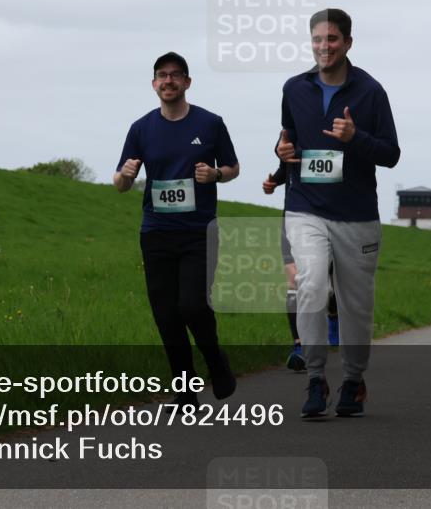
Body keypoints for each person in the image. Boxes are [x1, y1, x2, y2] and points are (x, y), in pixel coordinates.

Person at [277, 8, 400, 418]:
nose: (323, 47)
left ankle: (353, 380)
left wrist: (356, 137)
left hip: (356, 214)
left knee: (356, 306)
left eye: (331, 39)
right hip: (306, 207)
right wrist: (282, 156)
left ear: (348, 42)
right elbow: (288, 142)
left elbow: (391, 154)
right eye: (317, 40)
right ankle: (315, 379)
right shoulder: (294, 88)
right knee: (310, 284)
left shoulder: (370, 92)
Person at [115, 52, 240, 407]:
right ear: (154, 84)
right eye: (161, 76)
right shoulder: (141, 128)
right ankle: (185, 391)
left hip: (199, 230)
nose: (167, 81)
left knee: (194, 306)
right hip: (156, 232)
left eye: (175, 76)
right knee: (166, 314)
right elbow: (120, 183)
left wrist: (216, 174)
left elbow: (233, 167)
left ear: (187, 82)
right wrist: (124, 175)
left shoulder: (210, 123)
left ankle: (216, 362)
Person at [261, 165, 340, 373]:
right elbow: (285, 165)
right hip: (293, 217)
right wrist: (274, 181)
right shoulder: (289, 133)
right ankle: (300, 346)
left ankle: (333, 315)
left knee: (326, 281)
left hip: (328, 216)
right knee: (294, 279)